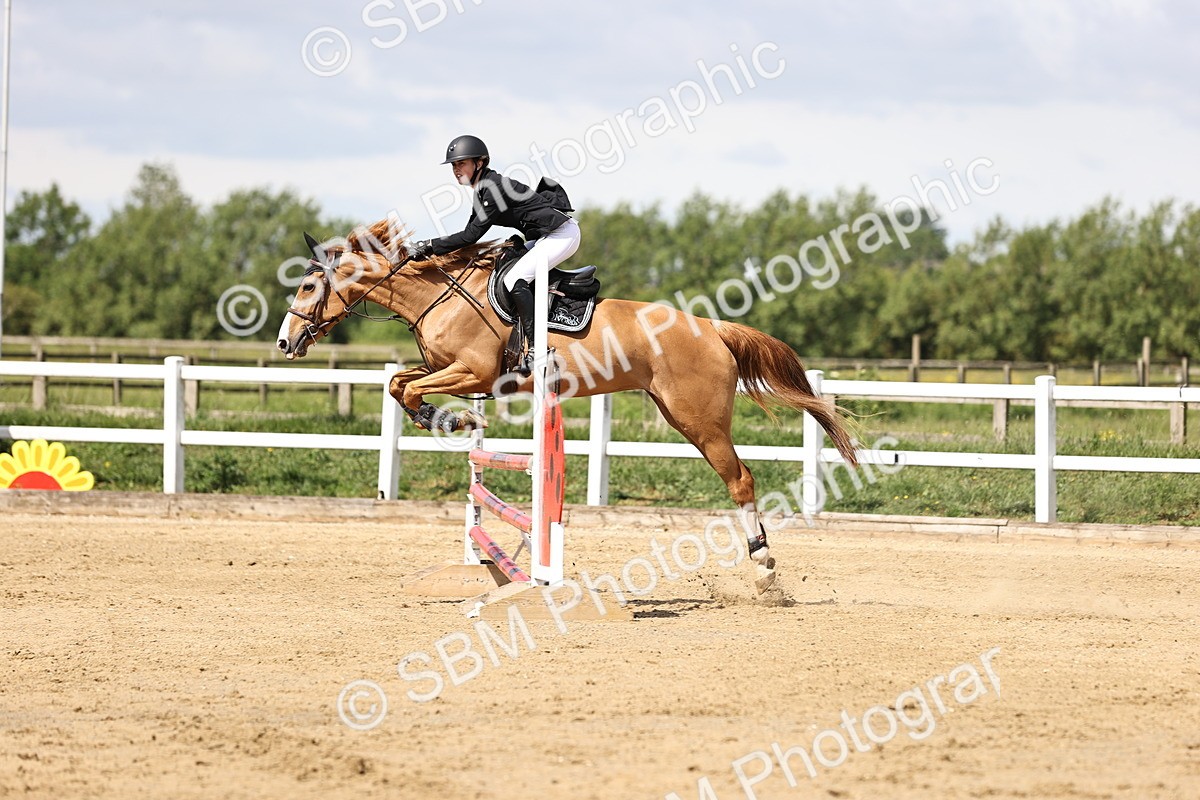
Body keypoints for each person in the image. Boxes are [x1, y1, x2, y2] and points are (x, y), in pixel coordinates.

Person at [408, 135, 580, 375]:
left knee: (514, 280)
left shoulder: (492, 188)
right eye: (454, 166)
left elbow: (470, 236)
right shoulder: (483, 188)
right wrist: (431, 250)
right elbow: (468, 232)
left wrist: (429, 245)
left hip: (561, 235)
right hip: (546, 237)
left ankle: (538, 349)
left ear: (479, 163)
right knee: (504, 269)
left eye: (461, 163)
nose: (456, 170)